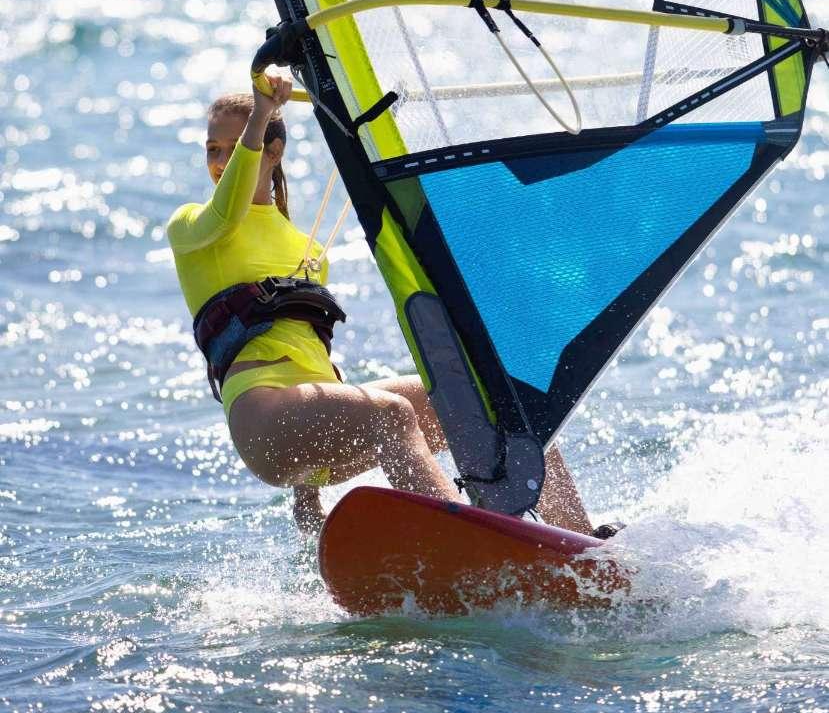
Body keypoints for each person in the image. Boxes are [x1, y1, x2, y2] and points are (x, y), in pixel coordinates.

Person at [167, 74, 593, 535]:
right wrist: (261, 115)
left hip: (314, 426)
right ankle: (470, 539)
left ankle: (582, 542)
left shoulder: (302, 246)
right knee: (391, 414)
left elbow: (309, 353)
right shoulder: (193, 226)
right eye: (213, 150)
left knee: (484, 395)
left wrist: (306, 496)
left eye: (234, 149)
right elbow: (228, 209)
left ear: (274, 152)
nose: (221, 162)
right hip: (260, 415)